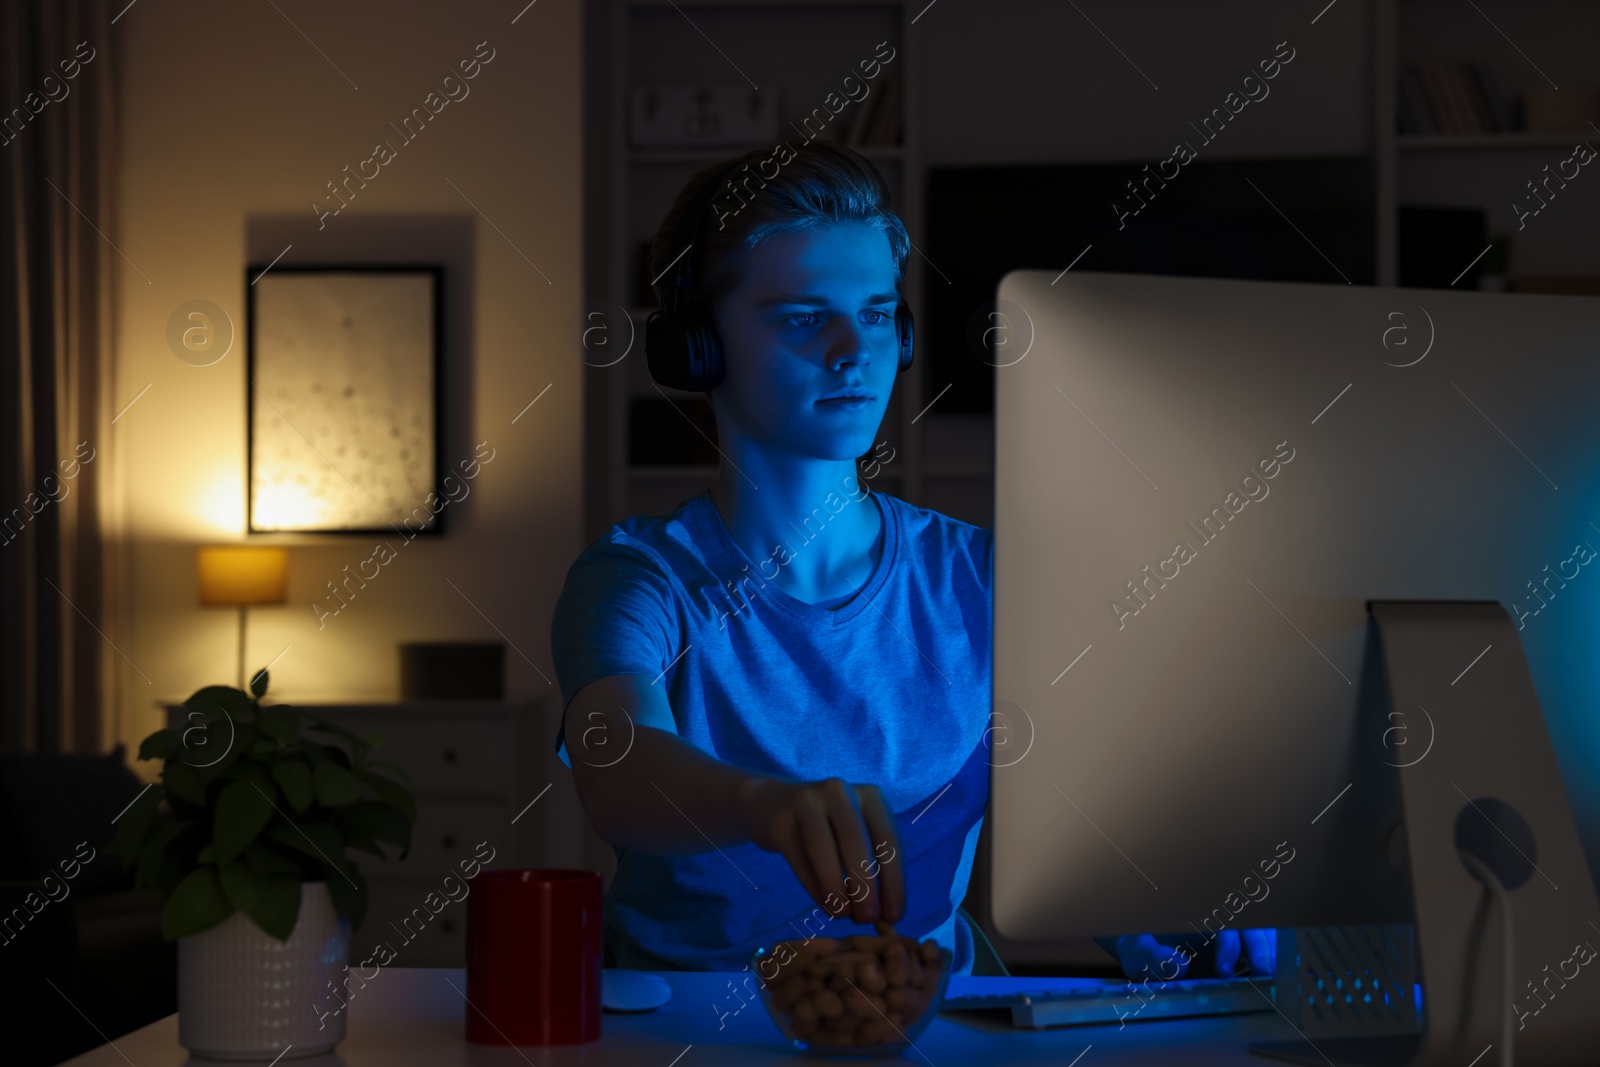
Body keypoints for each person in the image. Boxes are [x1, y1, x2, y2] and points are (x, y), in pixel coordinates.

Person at [550, 141, 993, 975]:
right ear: (698, 349)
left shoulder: (982, 578)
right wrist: (760, 802)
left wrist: (1140, 906)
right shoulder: (638, 580)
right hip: (681, 1028)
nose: (851, 350)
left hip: (927, 1026)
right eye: (802, 317)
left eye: (873, 313)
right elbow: (614, 767)